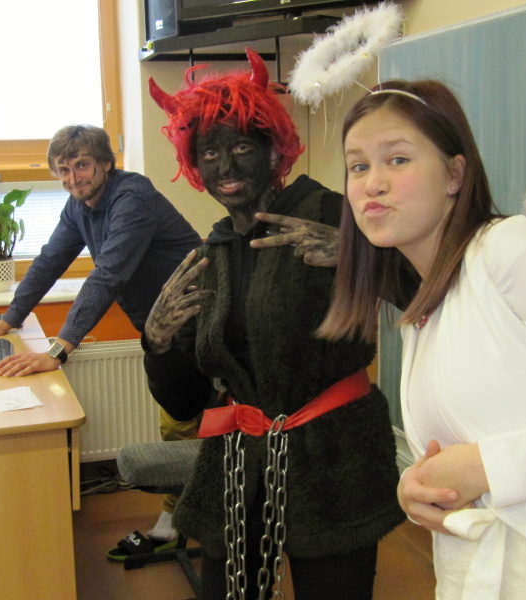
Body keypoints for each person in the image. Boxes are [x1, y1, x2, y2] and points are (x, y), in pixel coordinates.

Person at [318, 79, 526, 599]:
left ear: (454, 174)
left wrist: (488, 466)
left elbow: (488, 462)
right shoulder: (430, 304)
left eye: (397, 160)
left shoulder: (511, 251)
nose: (372, 183)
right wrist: (416, 487)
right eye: (358, 166)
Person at [143, 48, 404, 600]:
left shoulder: (332, 213)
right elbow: (186, 402)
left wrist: (359, 257)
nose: (226, 166)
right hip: (240, 465)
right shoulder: (211, 256)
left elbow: (429, 287)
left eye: (241, 147)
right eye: (210, 153)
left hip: (336, 460)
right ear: (195, 166)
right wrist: (157, 343)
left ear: (273, 148)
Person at [0, 124, 202, 545]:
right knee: (184, 418)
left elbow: (107, 275)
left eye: (82, 166)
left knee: (180, 421)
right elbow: (50, 261)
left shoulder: (132, 197)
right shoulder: (78, 208)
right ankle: (191, 508)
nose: (73, 178)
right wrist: (10, 318)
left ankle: (177, 516)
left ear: (105, 162)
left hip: (196, 320)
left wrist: (58, 349)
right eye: (64, 170)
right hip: (159, 326)